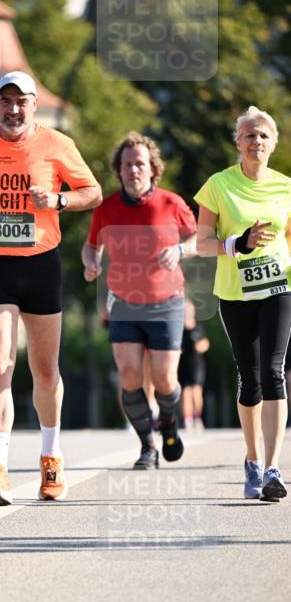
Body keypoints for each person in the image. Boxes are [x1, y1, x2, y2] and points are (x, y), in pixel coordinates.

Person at [0, 70, 102, 505]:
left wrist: (59, 200)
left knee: (45, 372)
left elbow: (94, 192)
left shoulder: (57, 144)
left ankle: (50, 456)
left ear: (33, 105)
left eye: (21, 101)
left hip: (42, 265)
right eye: (6, 101)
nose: (13, 109)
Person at [82, 131, 197, 469]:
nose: (134, 170)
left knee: (164, 379)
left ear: (152, 169)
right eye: (128, 164)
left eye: (140, 164)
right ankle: (148, 445)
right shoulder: (106, 209)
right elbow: (92, 245)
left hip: (167, 302)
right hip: (125, 304)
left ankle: (170, 422)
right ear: (119, 169)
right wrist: (91, 261)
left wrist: (179, 250)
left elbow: (199, 239)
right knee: (130, 375)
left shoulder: (172, 203)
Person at [195, 106, 291, 501]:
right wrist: (238, 244)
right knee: (249, 379)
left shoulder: (286, 187)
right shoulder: (219, 184)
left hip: (279, 288)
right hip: (235, 292)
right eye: (250, 135)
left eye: (264, 135)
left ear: (274, 143)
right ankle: (252, 459)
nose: (257, 142)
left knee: (274, 372)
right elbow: (201, 243)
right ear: (238, 143)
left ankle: (272, 468)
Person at [178, 298, 210, 429]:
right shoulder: (179, 328)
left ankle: (197, 417)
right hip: (183, 363)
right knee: (185, 392)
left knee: (196, 391)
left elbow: (206, 342)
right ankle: (188, 419)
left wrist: (202, 346)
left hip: (196, 363)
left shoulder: (199, 327)